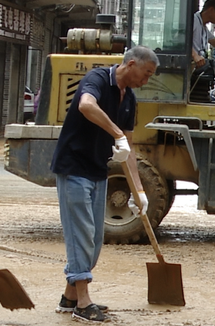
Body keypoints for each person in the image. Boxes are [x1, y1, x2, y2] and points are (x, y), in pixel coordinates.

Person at [50, 47, 159, 323]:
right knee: (80, 234)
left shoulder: (129, 99)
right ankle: (83, 304)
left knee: (95, 240)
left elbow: (129, 149)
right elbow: (86, 106)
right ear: (131, 64)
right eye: (145, 74)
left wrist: (140, 191)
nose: (146, 81)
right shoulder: (98, 79)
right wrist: (116, 133)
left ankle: (69, 296)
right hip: (73, 167)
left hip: (98, 171)